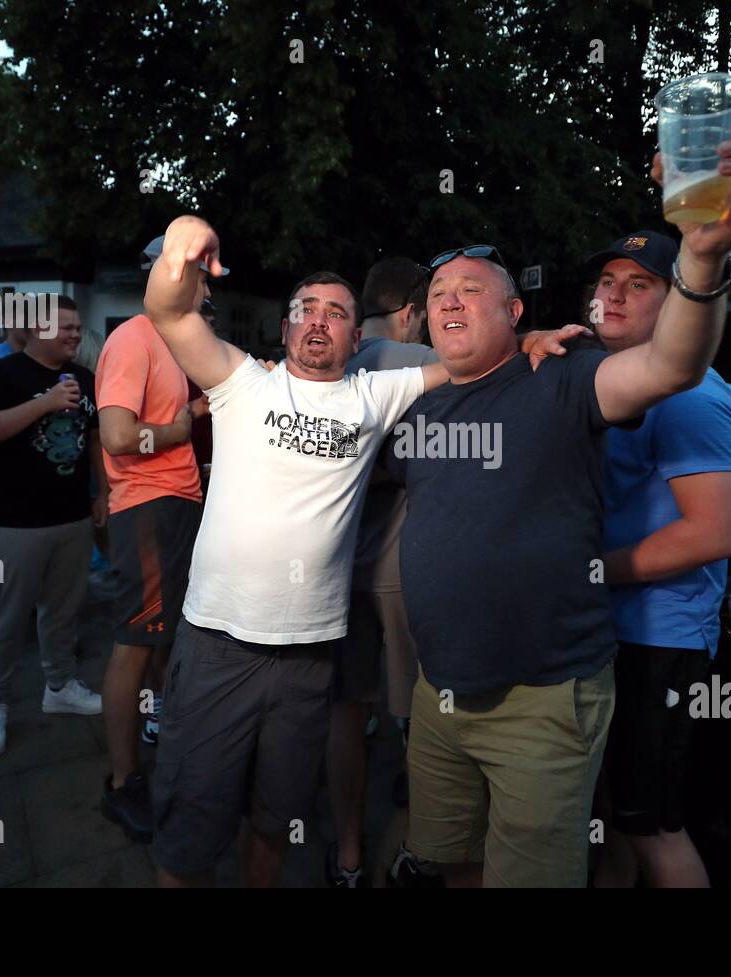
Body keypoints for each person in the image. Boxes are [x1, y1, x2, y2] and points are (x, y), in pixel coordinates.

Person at [383, 120, 731, 888]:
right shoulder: (418, 403)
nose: (452, 303)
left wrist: (702, 256)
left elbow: (671, 365)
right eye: (438, 295)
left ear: (515, 315)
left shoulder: (562, 379)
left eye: (472, 291)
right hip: (440, 692)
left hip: (543, 694)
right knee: (448, 859)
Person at [139, 218, 578, 888]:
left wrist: (528, 340)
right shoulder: (239, 382)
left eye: (336, 313)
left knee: (277, 816)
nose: (319, 322)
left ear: (357, 335)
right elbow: (166, 309)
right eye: (305, 311)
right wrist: (183, 242)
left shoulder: (375, 393)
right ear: (285, 329)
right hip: (217, 644)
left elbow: (471, 361)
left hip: (311, 656)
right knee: (190, 823)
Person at [582, 230, 731, 889]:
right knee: (621, 817)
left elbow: (711, 533)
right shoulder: (614, 376)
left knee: (655, 828)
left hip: (659, 638)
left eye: (639, 283)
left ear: (678, 296)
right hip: (619, 631)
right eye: (607, 280)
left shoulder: (690, 396)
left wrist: (589, 569)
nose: (614, 294)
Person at [93, 236, 211, 843]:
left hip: (178, 504)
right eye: (200, 278)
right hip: (148, 507)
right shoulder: (132, 338)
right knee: (135, 643)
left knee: (163, 640)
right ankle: (121, 785)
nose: (208, 289)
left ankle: (165, 743)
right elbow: (116, 436)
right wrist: (178, 427)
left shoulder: (173, 343)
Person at [327, 256, 437, 888]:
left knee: (346, 710)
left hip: (332, 569)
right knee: (418, 716)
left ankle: (345, 854)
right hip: (401, 566)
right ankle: (418, 850)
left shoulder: (330, 358)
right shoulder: (415, 362)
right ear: (410, 312)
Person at [0, 296, 107, 759]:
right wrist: (43, 404)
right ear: (34, 330)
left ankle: (60, 685)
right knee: (3, 616)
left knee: (63, 611)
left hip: (70, 518)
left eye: (77, 326)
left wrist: (101, 492)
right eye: (64, 326)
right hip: (8, 522)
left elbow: (96, 438)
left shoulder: (84, 378)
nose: (73, 334)